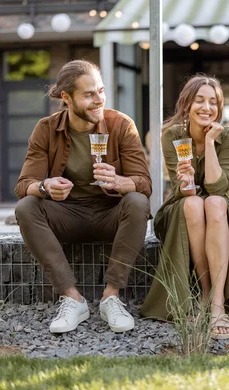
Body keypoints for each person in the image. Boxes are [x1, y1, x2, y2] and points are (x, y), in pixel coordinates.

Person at [14, 60, 151, 334]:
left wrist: (120, 181)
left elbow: (144, 183)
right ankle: (72, 298)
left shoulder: (121, 125)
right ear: (66, 97)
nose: (98, 100)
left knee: (138, 202)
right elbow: (23, 185)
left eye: (100, 91)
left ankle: (111, 297)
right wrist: (45, 187)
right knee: (26, 206)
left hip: (110, 214)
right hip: (67, 215)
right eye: (89, 94)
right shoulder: (46, 129)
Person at [140, 75, 229, 339]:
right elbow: (181, 190)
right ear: (187, 104)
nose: (206, 107)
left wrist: (210, 143)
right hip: (180, 208)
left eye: (213, 102)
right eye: (199, 100)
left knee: (212, 203)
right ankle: (207, 292)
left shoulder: (227, 136)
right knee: (192, 204)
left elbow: (218, 189)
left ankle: (216, 303)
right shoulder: (172, 136)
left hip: (218, 210)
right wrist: (186, 182)